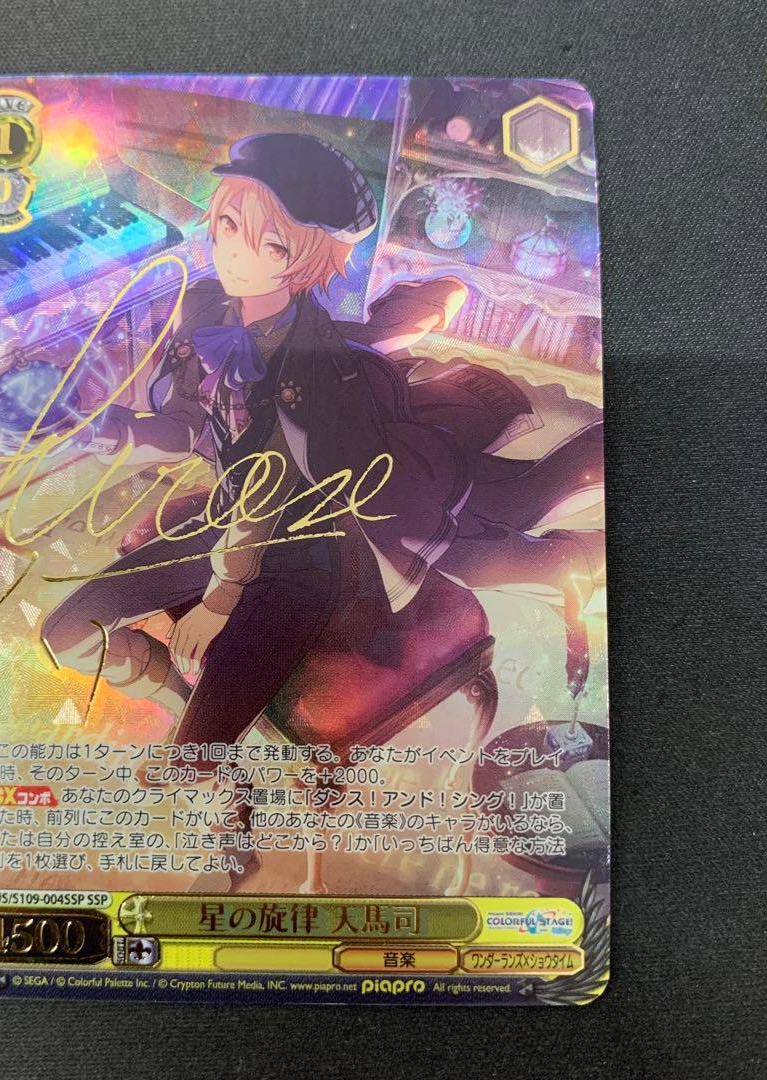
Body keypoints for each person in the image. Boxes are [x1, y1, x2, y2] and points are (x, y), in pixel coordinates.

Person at [42, 132, 603, 760]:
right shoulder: (205, 310)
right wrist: (93, 427)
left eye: (273, 244)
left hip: (314, 555)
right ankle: (182, 705)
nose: (237, 251)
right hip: (232, 523)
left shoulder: (318, 369)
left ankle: (577, 531)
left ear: (311, 259)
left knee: (512, 512)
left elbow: (278, 491)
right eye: (229, 224)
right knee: (65, 633)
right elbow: (185, 425)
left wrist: (220, 601)